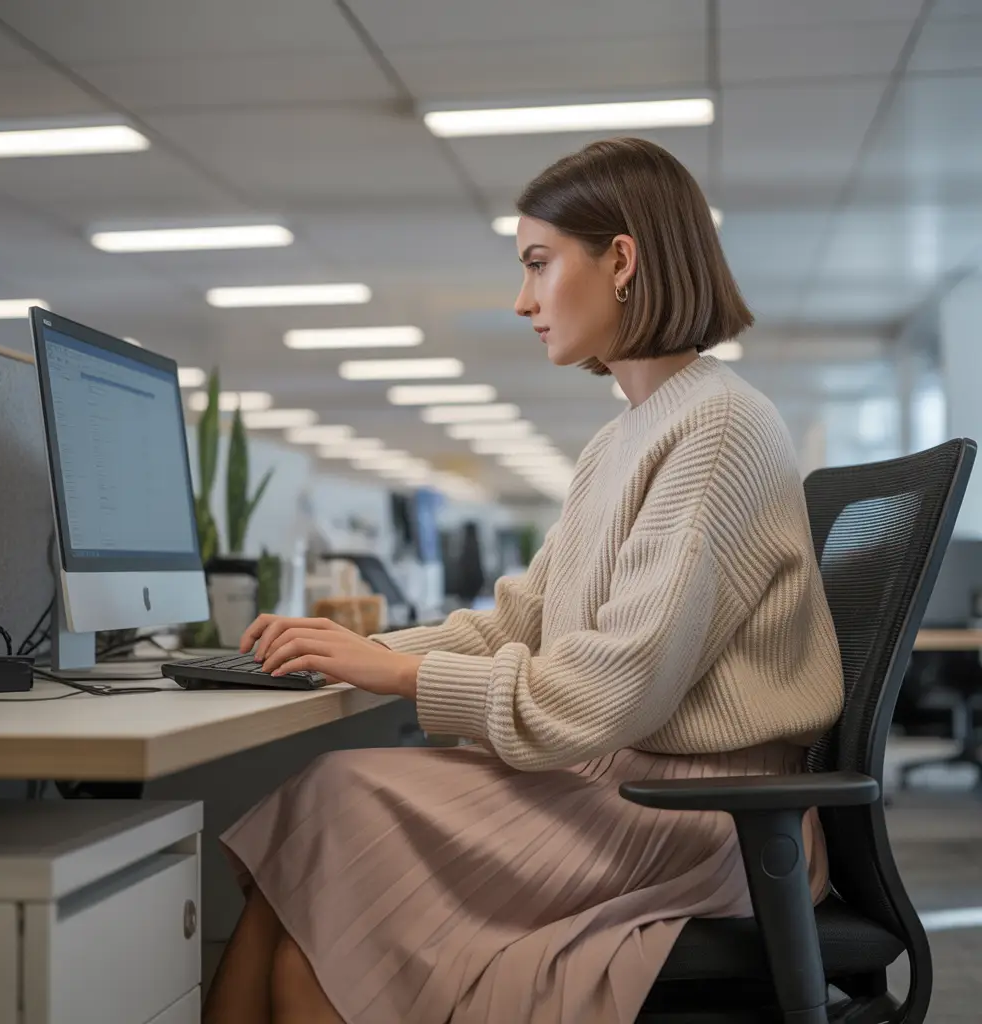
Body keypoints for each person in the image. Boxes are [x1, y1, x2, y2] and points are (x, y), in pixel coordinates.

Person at [202, 137, 844, 1024]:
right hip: (627, 786)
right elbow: (525, 623)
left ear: (621, 260)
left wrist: (401, 674)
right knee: (309, 895)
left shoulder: (719, 429)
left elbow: (603, 693)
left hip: (702, 816)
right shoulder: (621, 438)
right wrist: (362, 650)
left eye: (539, 265)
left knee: (335, 811)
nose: (521, 300)